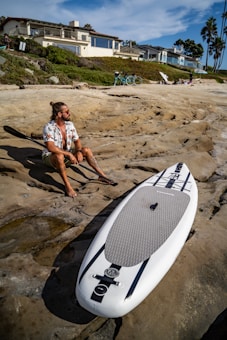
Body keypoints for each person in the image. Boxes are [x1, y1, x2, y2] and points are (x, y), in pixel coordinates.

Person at [42, 101, 114, 198]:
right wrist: (69, 155)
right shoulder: (49, 127)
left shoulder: (70, 125)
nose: (69, 113)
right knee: (59, 156)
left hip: (66, 154)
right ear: (59, 114)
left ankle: (102, 175)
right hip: (50, 157)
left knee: (86, 150)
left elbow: (77, 142)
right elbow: (50, 147)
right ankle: (68, 187)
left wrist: (79, 151)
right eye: (67, 112)